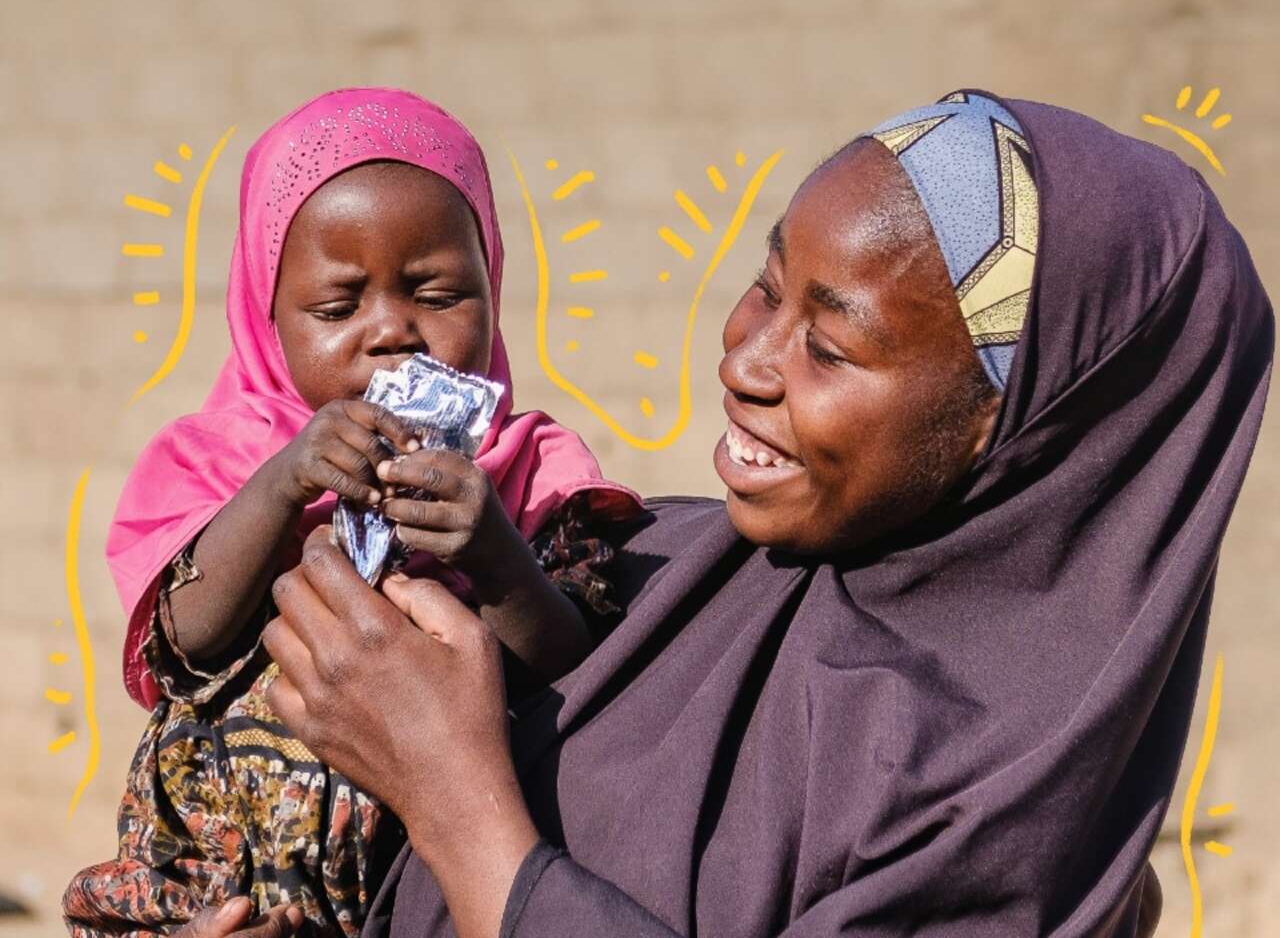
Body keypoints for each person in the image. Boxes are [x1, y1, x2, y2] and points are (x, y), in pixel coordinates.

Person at [176, 92, 1271, 938]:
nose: (744, 359)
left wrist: (458, 806)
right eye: (766, 282)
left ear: (1014, 424)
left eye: (829, 346)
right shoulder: (658, 564)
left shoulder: (998, 810)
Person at [62, 90, 640, 938]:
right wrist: (283, 483)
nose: (392, 332)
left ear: (495, 287)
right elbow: (183, 637)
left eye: (438, 295)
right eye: (337, 309)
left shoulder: (537, 473)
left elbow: (576, 665)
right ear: (266, 316)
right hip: (220, 888)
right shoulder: (214, 459)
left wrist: (494, 552)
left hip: (426, 894)